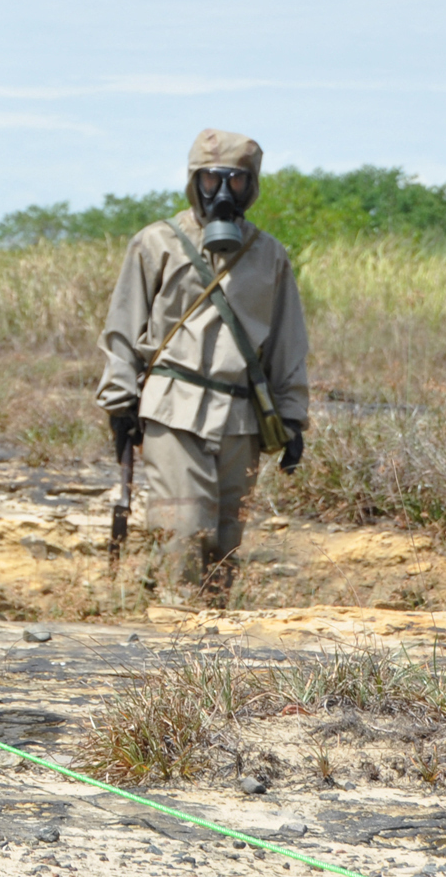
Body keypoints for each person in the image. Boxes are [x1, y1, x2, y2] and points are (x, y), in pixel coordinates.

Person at [97, 128, 309, 594]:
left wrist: (292, 418)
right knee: (181, 530)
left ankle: (210, 649)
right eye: (212, 180)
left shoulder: (269, 255)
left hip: (240, 418)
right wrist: (119, 403)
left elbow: (287, 345)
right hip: (173, 408)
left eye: (235, 181)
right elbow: (122, 327)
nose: (222, 192)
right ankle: (173, 632)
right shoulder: (156, 243)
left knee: (225, 544)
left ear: (251, 185)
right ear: (194, 181)